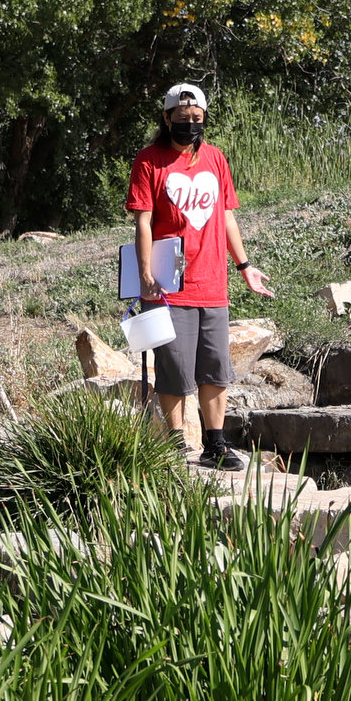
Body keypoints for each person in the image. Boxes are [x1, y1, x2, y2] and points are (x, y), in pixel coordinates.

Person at [127, 83, 272, 469]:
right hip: (167, 284)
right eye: (182, 118)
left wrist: (245, 267)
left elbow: (226, 215)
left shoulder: (215, 159)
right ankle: (173, 445)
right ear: (166, 118)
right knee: (173, 367)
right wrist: (144, 271)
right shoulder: (149, 161)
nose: (190, 124)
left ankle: (215, 444)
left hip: (212, 284)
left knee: (215, 368)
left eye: (196, 118)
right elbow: (143, 221)